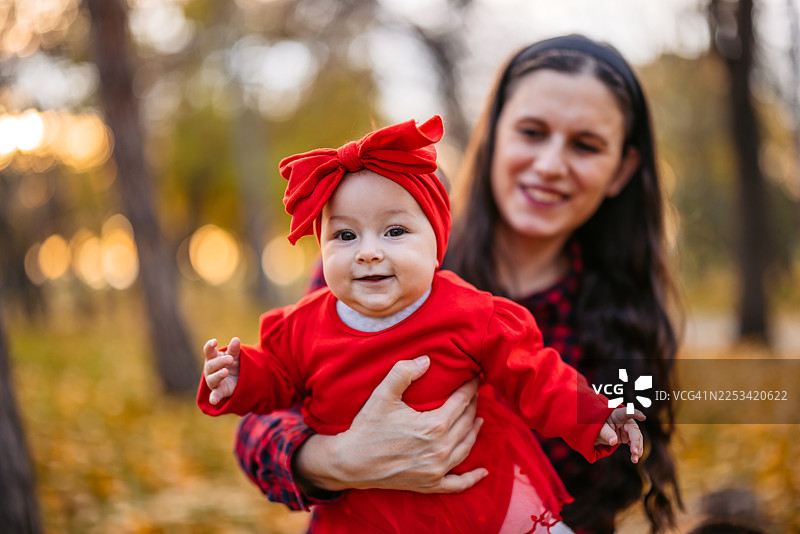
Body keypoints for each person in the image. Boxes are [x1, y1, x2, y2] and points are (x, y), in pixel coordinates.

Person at [234, 35, 682, 533]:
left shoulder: (624, 317)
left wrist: (598, 416)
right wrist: (337, 459)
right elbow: (260, 421)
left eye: (585, 144)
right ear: (493, 137)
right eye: (532, 132)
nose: (551, 164)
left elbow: (599, 494)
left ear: (621, 169)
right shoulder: (374, 264)